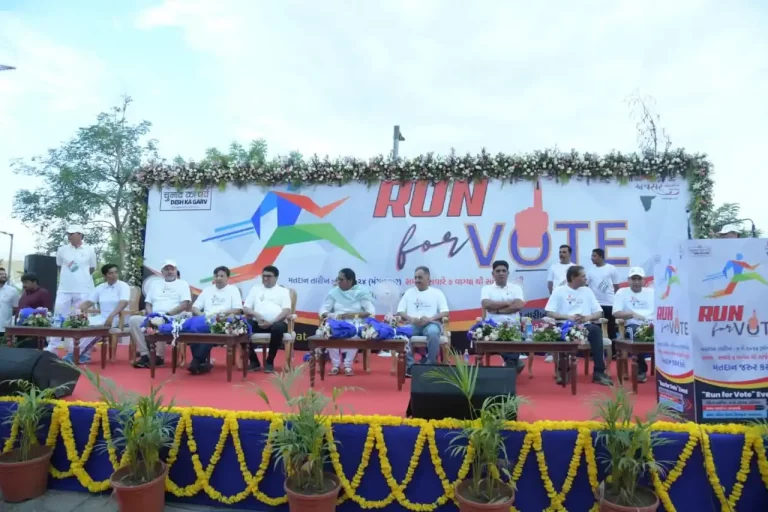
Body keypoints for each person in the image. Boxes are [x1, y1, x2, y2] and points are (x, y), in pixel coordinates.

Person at [545, 265, 612, 386]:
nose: (586, 279)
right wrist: (568, 317)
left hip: (585, 325)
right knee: (563, 332)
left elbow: (599, 312)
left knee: (596, 330)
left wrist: (588, 317)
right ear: (573, 277)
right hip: (565, 324)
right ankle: (564, 370)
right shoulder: (559, 291)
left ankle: (599, 372)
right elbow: (549, 312)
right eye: (583, 276)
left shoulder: (587, 291)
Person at [62, 264, 130, 364]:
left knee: (94, 327)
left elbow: (123, 303)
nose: (114, 275)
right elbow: (89, 302)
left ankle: (78, 355)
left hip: (118, 317)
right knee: (83, 324)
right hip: (102, 317)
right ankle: (79, 354)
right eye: (110, 273)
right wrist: (76, 312)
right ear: (104, 276)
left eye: (116, 272)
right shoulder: (100, 287)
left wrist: (111, 316)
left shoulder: (123, 286)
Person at [129, 260, 191, 369]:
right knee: (134, 320)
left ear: (176, 271)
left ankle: (159, 357)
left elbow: (184, 304)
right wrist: (151, 315)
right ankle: (145, 355)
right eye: (167, 269)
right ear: (162, 272)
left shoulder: (183, 284)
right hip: (154, 315)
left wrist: (166, 314)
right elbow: (148, 303)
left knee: (160, 321)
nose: (170, 271)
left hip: (174, 316)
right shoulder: (155, 284)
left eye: (172, 269)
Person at [49, 225, 97, 353]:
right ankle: (53, 347)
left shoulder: (90, 250)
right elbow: (59, 266)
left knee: (79, 319)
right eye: (68, 234)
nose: (69, 236)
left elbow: (92, 269)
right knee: (59, 317)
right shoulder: (62, 250)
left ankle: (76, 349)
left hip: (83, 290)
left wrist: (80, 278)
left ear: (80, 234)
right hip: (64, 289)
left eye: (72, 233)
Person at [319, 268, 375, 376]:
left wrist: (353, 315)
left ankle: (348, 365)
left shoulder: (361, 292)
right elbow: (323, 310)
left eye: (341, 279)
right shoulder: (334, 292)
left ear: (350, 281)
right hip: (337, 322)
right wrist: (330, 315)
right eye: (337, 279)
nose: (338, 282)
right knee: (329, 332)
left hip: (355, 322)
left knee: (355, 334)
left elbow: (370, 312)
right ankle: (335, 365)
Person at [188, 266, 243, 374]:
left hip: (223, 320)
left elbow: (238, 309)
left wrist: (222, 314)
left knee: (211, 330)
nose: (218, 278)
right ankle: (201, 363)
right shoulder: (208, 290)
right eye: (217, 276)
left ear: (228, 277)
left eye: (222, 276)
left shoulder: (233, 290)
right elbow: (195, 307)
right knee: (193, 329)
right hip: (206, 319)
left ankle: (196, 361)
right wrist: (202, 315)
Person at [397, 266, 449, 378]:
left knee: (433, 333)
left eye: (420, 277)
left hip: (431, 323)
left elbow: (445, 312)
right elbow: (400, 311)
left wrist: (430, 319)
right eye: (415, 277)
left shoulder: (437, 293)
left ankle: (430, 365)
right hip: (413, 323)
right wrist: (411, 319)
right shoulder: (409, 292)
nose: (417, 280)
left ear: (428, 278)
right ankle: (410, 366)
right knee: (403, 333)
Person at [243, 265, 291, 373]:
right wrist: (257, 316)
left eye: (268, 276)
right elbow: (246, 308)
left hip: (276, 323)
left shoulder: (283, 291)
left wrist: (272, 321)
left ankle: (269, 361)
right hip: (257, 322)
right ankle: (254, 361)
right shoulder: (255, 289)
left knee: (278, 329)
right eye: (263, 276)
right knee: (242, 327)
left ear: (276, 277)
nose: (265, 278)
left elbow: (286, 310)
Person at [480, 260, 525, 373]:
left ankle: (510, 364)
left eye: (504, 271)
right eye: (498, 271)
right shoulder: (487, 289)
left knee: (513, 336)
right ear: (493, 274)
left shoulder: (516, 288)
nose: (501, 273)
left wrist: (498, 310)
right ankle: (512, 364)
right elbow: (486, 304)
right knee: (502, 336)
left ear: (508, 273)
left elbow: (518, 305)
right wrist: (508, 303)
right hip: (493, 325)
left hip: (513, 324)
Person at [612, 267, 653, 383]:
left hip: (651, 324)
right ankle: (641, 369)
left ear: (644, 280)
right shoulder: (622, 292)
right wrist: (632, 314)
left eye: (639, 279)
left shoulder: (652, 292)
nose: (636, 282)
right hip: (632, 324)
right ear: (628, 280)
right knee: (634, 332)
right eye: (633, 279)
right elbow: (616, 313)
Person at [587, 248, 620, 341]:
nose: (592, 258)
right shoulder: (590, 270)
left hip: (609, 303)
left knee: (611, 329)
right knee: (595, 329)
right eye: (591, 256)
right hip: (595, 305)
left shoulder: (611, 269)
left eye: (594, 256)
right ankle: (596, 352)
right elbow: (586, 286)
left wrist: (616, 302)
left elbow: (616, 286)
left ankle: (612, 353)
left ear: (601, 256)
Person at [14, 273, 53, 348]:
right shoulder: (25, 293)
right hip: (20, 331)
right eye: (23, 283)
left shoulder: (43, 293)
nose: (24, 285)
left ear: (34, 282)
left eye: (26, 282)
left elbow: (47, 312)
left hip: (34, 334)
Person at [0, 267, 20, 340]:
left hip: (5, 328)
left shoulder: (12, 291)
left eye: (4, 274)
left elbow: (15, 308)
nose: (4, 275)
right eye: (1, 274)